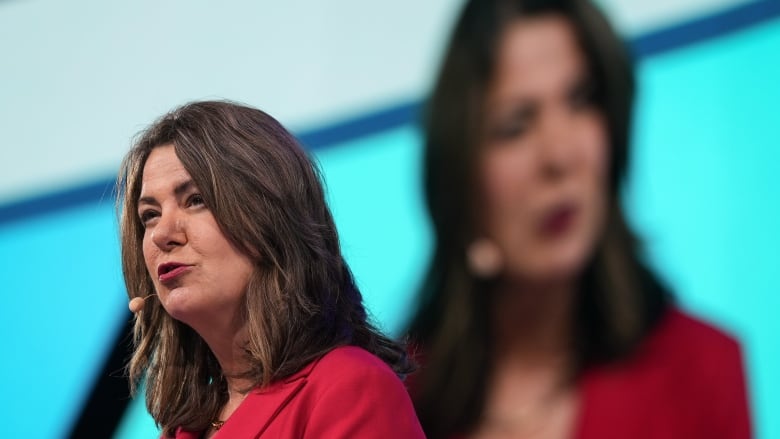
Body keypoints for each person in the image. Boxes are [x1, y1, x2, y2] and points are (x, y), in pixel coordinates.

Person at [407, 0, 752, 438]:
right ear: (459, 177)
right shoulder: (396, 400)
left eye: (581, 100)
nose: (560, 155)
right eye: (515, 125)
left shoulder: (702, 369)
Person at [117, 100, 425, 438]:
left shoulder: (349, 388)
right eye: (150, 215)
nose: (161, 234)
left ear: (269, 219)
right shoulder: (183, 429)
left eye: (195, 200)